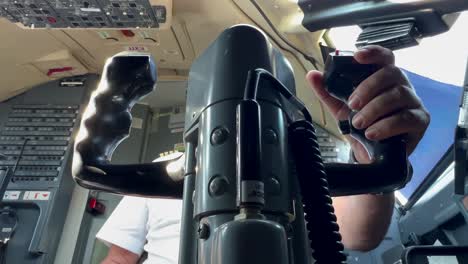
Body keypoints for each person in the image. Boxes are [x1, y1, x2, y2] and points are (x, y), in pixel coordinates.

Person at [97, 46, 430, 264]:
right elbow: (120, 258)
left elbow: (359, 234)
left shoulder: (304, 171)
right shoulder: (162, 169)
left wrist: (369, 146)